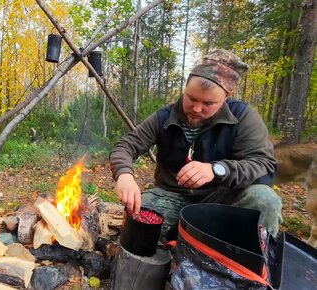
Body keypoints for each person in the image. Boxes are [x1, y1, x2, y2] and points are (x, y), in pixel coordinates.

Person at [109, 49, 282, 242]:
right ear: (185, 89)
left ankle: (249, 263)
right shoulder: (164, 118)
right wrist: (124, 174)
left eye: (208, 103)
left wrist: (217, 169)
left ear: (227, 95)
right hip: (171, 195)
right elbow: (126, 146)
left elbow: (263, 163)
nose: (197, 109)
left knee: (265, 199)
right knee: (138, 230)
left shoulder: (243, 117)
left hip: (222, 197)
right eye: (191, 98)